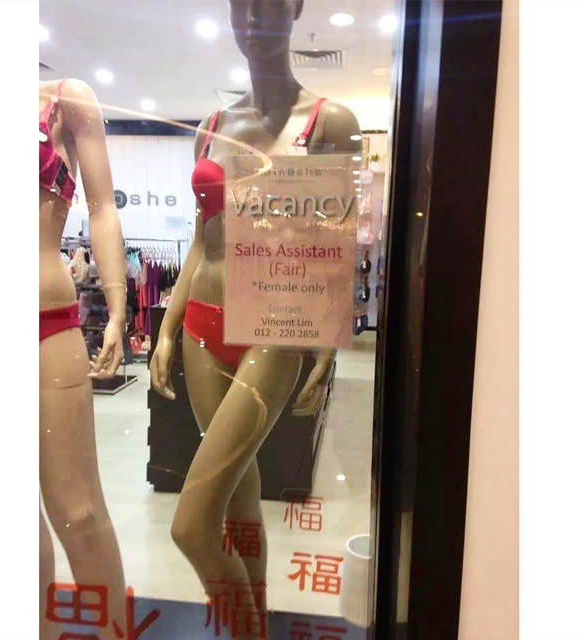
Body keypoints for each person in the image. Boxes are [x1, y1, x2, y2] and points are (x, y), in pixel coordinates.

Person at [150, 2, 361, 637]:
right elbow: (201, 239)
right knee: (239, 501)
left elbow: (336, 244)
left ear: (295, 8)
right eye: (240, 5)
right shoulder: (214, 125)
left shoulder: (330, 121)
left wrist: (326, 346)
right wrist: (167, 327)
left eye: (268, 4)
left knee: (192, 525)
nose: (252, 20)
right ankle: (255, 625)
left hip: (274, 328)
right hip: (201, 325)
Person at [39, 78, 126, 639]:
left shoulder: (62, 98)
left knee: (79, 511)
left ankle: (116, 631)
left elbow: (102, 207)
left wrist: (117, 307)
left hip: (44, 321)